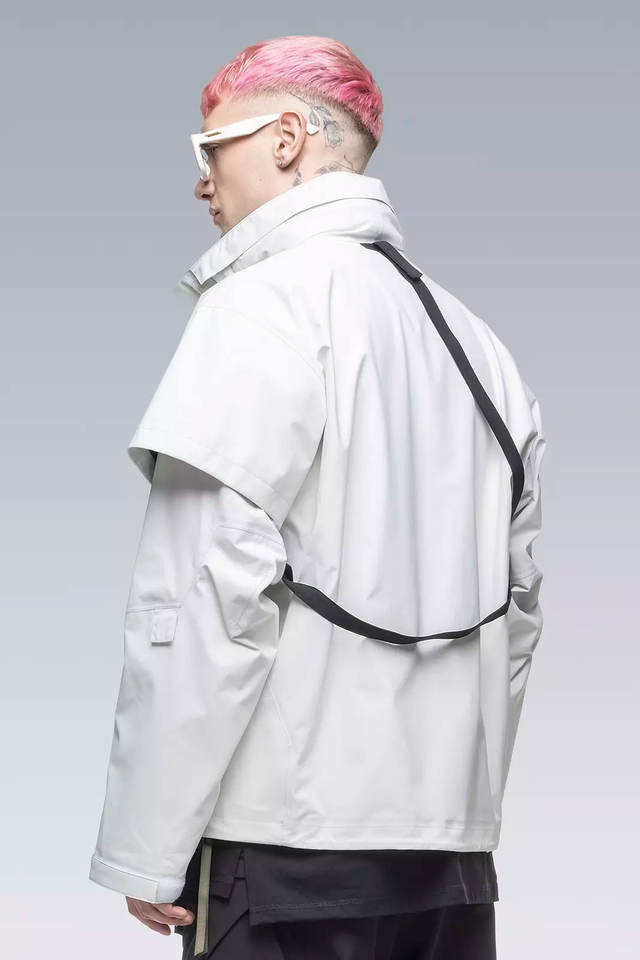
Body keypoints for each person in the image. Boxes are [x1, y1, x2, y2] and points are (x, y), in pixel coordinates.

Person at [88, 35, 546, 959]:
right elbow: (520, 617)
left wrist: (146, 847)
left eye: (211, 148)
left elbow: (202, 598)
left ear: (287, 138)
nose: (202, 181)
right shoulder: (482, 349)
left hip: (283, 857)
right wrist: (452, 804)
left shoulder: (258, 310)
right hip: (451, 868)